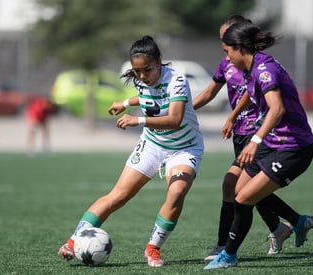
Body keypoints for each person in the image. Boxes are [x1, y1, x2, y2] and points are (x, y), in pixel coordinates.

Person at [58, 35, 204, 268]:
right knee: (118, 195)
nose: (142, 76)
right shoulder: (139, 79)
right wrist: (125, 103)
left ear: (159, 61)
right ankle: (74, 240)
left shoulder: (177, 80)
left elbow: (175, 119)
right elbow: (148, 97)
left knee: (177, 192)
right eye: (137, 72)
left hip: (183, 148)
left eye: (147, 70)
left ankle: (153, 248)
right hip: (153, 144)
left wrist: (136, 120)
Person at [194, 15, 313, 261]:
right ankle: (290, 223)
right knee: (238, 189)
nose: (225, 56)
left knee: (243, 195)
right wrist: (230, 117)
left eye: (227, 48)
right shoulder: (248, 68)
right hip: (266, 139)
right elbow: (248, 94)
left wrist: (255, 140)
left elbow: (277, 108)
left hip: (288, 145)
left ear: (240, 45)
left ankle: (227, 252)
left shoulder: (263, 68)